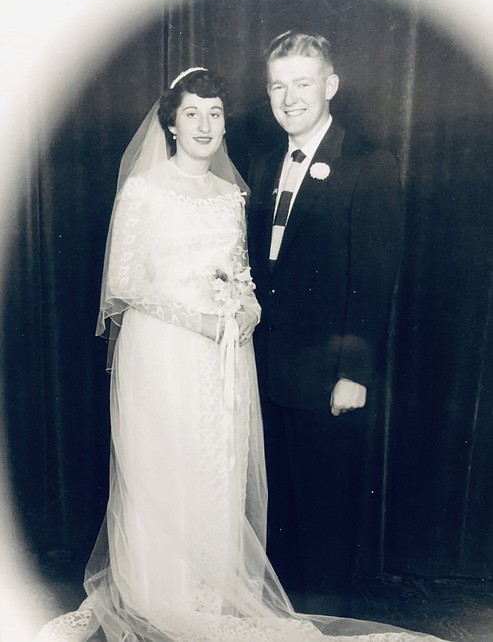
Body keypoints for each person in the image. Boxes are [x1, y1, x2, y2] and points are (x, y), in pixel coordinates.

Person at [35, 67, 446, 642]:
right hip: (162, 350)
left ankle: (210, 594)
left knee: (216, 467)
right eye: (192, 114)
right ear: (171, 125)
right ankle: (161, 594)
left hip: (224, 355)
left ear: (226, 123)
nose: (205, 126)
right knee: (165, 466)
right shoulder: (145, 190)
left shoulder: (233, 195)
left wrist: (247, 307)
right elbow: (124, 286)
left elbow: (242, 272)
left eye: (215, 113)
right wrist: (199, 319)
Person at [248, 31, 402, 616]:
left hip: (328, 378)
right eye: (277, 86)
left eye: (302, 84)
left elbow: (375, 278)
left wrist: (354, 374)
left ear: (330, 86)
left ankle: (326, 629)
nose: (289, 98)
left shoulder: (368, 161)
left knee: (326, 517)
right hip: (266, 375)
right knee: (279, 518)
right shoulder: (264, 164)